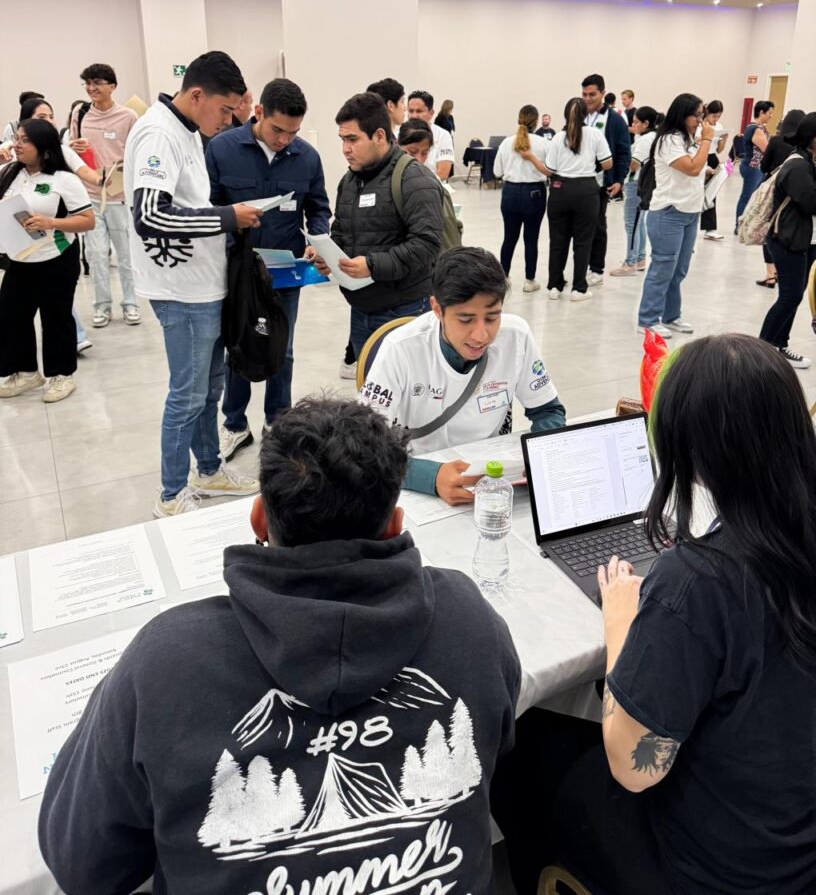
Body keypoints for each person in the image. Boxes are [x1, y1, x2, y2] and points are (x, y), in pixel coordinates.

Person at [39, 396, 521, 895]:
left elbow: (83, 864)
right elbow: (498, 759)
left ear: (258, 521)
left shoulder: (163, 664)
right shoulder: (469, 620)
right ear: (395, 526)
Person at [492, 333, 816, 895]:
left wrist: (621, 621)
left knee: (521, 744)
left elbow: (635, 769)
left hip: (717, 869)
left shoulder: (699, 580)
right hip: (794, 834)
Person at [124, 50, 262, 518]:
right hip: (180, 291)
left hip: (204, 285)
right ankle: (170, 493)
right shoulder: (159, 133)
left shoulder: (186, 132)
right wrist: (228, 217)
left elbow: (187, 203)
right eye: (225, 111)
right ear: (197, 94)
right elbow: (149, 215)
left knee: (208, 389)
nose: (227, 122)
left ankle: (208, 469)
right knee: (186, 393)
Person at [360, 246, 565, 505]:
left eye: (492, 318)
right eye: (466, 320)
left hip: (491, 480)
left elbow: (548, 411)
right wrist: (429, 477)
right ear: (437, 308)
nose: (481, 335)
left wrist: (543, 454)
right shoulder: (401, 348)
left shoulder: (517, 336)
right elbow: (363, 446)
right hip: (413, 475)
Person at [206, 78, 331, 460]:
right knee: (239, 345)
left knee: (282, 347)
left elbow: (319, 207)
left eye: (292, 132)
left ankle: (279, 422)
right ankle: (234, 424)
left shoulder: (307, 157)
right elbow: (207, 206)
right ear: (257, 111)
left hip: (286, 272)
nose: (284, 140)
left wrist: (317, 238)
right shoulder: (222, 148)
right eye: (278, 130)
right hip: (237, 270)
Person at [322, 92, 443, 357]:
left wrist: (372, 266)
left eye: (353, 139)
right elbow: (342, 230)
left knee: (407, 394)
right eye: (343, 139)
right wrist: (327, 254)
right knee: (368, 393)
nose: (345, 149)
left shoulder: (414, 179)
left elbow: (427, 244)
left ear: (378, 135)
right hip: (361, 309)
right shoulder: (351, 180)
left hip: (405, 310)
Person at [0, 119, 94, 403]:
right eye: (16, 139)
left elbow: (87, 221)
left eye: (24, 140)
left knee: (56, 319)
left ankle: (62, 376)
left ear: (43, 147)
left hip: (56, 258)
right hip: (20, 258)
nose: (17, 145)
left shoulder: (64, 180)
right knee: (11, 316)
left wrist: (50, 221)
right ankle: (27, 372)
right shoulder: (9, 173)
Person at [69, 63, 140, 327]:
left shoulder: (128, 116)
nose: (91, 88)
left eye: (97, 82)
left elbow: (136, 155)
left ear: (112, 85)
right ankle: (102, 306)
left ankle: (131, 303)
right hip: (88, 195)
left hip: (119, 195)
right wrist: (72, 146)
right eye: (87, 83)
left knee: (125, 255)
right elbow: (72, 149)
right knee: (97, 254)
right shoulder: (81, 112)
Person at [637, 93, 712, 338]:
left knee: (679, 269)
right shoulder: (669, 140)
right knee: (663, 267)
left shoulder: (687, 138)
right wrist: (707, 141)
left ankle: (671, 315)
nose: (701, 120)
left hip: (690, 211)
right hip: (668, 212)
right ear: (682, 114)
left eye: (702, 115)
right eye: (697, 115)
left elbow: (697, 166)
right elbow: (691, 168)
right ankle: (648, 319)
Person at [533, 97, 612, 301]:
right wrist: (591, 165)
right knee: (583, 241)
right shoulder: (595, 135)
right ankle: (578, 289)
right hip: (586, 191)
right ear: (586, 115)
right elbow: (608, 163)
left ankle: (554, 286)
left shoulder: (558, 138)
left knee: (557, 241)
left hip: (560, 190)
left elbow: (550, 170)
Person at [758, 111, 816, 370]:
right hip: (788, 240)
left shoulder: (809, 162)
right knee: (790, 296)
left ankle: (779, 345)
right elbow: (810, 202)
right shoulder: (798, 165)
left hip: (804, 240)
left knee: (795, 294)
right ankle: (763, 348)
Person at [580, 74, 631, 284]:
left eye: (592, 94)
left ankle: (597, 269)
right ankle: (581, 266)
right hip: (578, 180)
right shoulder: (578, 115)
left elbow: (623, 152)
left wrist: (618, 179)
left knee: (598, 225)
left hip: (601, 182)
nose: (588, 98)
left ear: (602, 93)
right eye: (584, 94)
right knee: (580, 227)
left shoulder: (615, 119)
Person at [493, 104, 550, 291]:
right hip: (534, 193)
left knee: (509, 237)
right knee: (531, 239)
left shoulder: (506, 143)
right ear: (537, 121)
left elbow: (496, 171)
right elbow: (550, 169)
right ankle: (529, 280)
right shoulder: (543, 143)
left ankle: (504, 277)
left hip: (510, 192)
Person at [757, 109, 805, 288]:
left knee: (770, 231)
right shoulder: (801, 147)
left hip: (773, 190)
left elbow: (764, 166)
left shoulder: (776, 140)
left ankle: (770, 273)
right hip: (793, 197)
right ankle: (781, 271)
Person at [610, 105, 658, 276]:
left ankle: (630, 262)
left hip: (636, 183)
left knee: (631, 223)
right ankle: (639, 258)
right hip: (642, 184)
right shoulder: (650, 137)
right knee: (639, 222)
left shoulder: (645, 140)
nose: (633, 125)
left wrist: (619, 159)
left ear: (646, 123)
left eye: (636, 122)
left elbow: (634, 164)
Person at [734, 99, 775, 230]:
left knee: (753, 197)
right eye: (769, 112)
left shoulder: (758, 128)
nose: (771, 116)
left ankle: (746, 223)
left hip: (756, 167)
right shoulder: (755, 129)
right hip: (753, 167)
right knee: (746, 196)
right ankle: (739, 225)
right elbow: (766, 149)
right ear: (761, 112)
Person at [698, 100, 729, 241]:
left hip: (712, 158)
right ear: (707, 113)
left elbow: (719, 149)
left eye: (718, 116)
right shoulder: (700, 126)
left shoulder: (719, 126)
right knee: (696, 191)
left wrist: (724, 139)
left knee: (711, 193)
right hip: (700, 157)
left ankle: (710, 228)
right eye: (714, 116)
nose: (716, 119)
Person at [406, 90, 454, 181]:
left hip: (433, 188)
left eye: (419, 111)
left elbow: (443, 173)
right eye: (411, 111)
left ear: (431, 113)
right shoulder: (398, 135)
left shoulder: (443, 136)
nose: (414, 116)